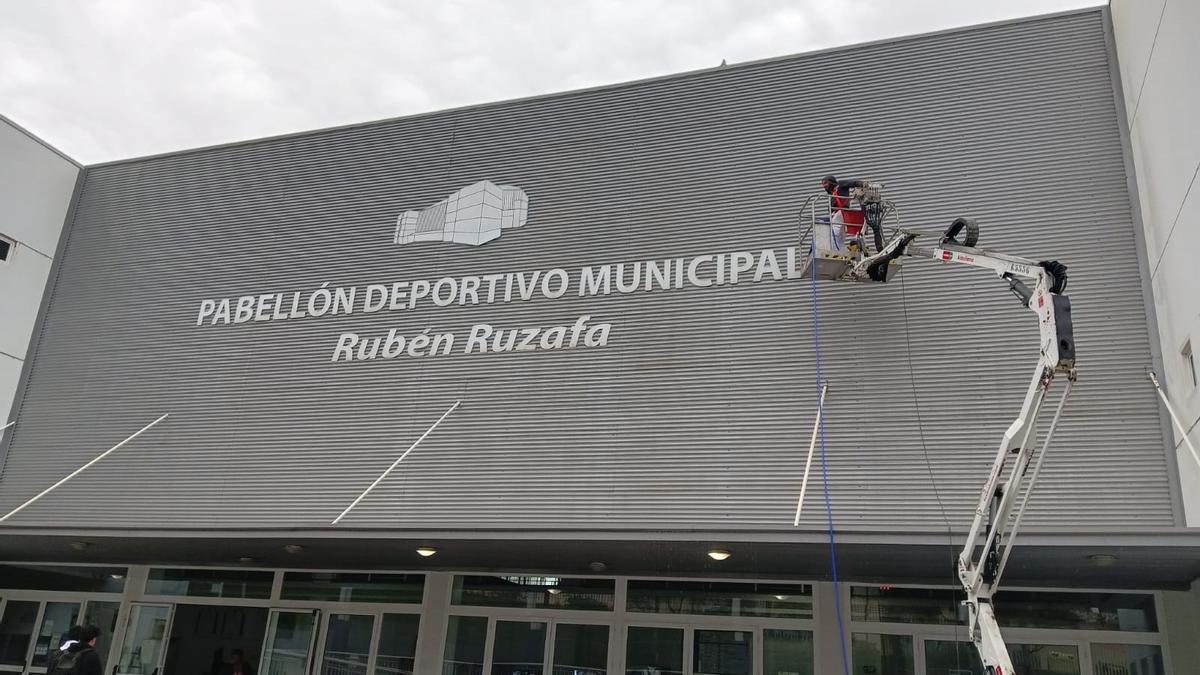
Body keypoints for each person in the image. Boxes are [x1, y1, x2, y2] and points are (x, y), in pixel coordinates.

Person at [821, 174, 866, 247]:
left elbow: (852, 183)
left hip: (840, 213)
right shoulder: (832, 194)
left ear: (831, 182)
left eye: (825, 183)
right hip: (839, 214)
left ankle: (834, 249)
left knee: (834, 233)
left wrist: (862, 184)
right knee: (840, 235)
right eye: (823, 184)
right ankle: (839, 249)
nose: (824, 186)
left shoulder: (840, 185)